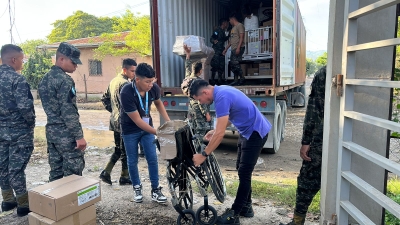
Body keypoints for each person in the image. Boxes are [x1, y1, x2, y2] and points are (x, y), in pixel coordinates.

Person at [190, 79, 271, 225]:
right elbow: (227, 118)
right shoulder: (221, 91)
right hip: (247, 132)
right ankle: (246, 207)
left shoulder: (222, 97)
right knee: (241, 169)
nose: (201, 103)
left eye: (200, 100)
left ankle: (234, 214)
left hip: (255, 133)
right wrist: (215, 130)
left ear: (204, 92)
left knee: (244, 173)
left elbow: (220, 135)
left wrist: (203, 155)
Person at [280, 66, 326, 225]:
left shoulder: (325, 73)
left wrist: (306, 141)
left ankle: (298, 221)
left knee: (307, 180)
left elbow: (314, 110)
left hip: (324, 137)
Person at [120, 63, 170, 203]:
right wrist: (158, 133)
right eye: (147, 81)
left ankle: (155, 189)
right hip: (130, 129)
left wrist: (168, 123)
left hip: (147, 128)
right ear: (137, 80)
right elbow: (137, 121)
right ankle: (137, 187)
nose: (150, 84)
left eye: (152, 81)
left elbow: (159, 103)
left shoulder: (153, 88)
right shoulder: (126, 92)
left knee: (152, 158)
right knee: (132, 159)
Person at [38, 42, 87, 182]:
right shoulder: (65, 80)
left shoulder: (44, 79)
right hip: (66, 134)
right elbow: (68, 111)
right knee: (73, 173)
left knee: (56, 172)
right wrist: (79, 136)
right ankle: (71, 204)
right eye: (73, 62)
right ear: (61, 59)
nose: (75, 66)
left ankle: (55, 203)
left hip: (52, 133)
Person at [0, 44, 35, 217]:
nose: (23, 62)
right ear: (13, 59)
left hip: (1, 132)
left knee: (2, 166)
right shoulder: (17, 79)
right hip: (19, 132)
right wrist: (31, 124)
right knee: (16, 169)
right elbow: (25, 107)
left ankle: (7, 201)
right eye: (22, 59)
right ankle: (23, 204)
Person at [99, 59, 137, 186]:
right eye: (132, 71)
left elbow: (104, 98)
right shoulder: (125, 84)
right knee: (123, 150)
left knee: (121, 149)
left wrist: (113, 111)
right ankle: (110, 173)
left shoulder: (113, 81)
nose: (134, 74)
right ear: (124, 70)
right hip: (123, 123)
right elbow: (130, 105)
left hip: (115, 121)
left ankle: (120, 175)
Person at [181, 45, 212, 140]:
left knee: (193, 129)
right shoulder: (199, 83)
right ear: (200, 71)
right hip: (199, 109)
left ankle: (193, 147)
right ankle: (199, 150)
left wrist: (188, 55)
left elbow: (187, 66)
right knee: (200, 131)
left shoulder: (188, 78)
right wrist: (206, 113)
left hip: (191, 107)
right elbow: (201, 100)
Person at [223, 12, 245, 86]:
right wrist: (226, 49)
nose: (229, 22)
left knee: (235, 63)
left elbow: (242, 37)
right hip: (233, 48)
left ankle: (242, 78)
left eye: (230, 20)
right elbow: (231, 41)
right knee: (232, 64)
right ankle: (236, 80)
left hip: (238, 47)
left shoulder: (240, 25)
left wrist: (238, 48)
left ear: (232, 19)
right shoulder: (233, 28)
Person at [210, 18, 229, 85]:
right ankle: (212, 79)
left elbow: (224, 39)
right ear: (223, 23)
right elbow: (211, 38)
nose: (227, 24)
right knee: (215, 65)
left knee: (221, 65)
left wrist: (229, 36)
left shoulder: (223, 31)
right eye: (226, 22)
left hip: (221, 50)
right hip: (216, 50)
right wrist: (213, 41)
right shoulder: (217, 30)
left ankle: (219, 79)